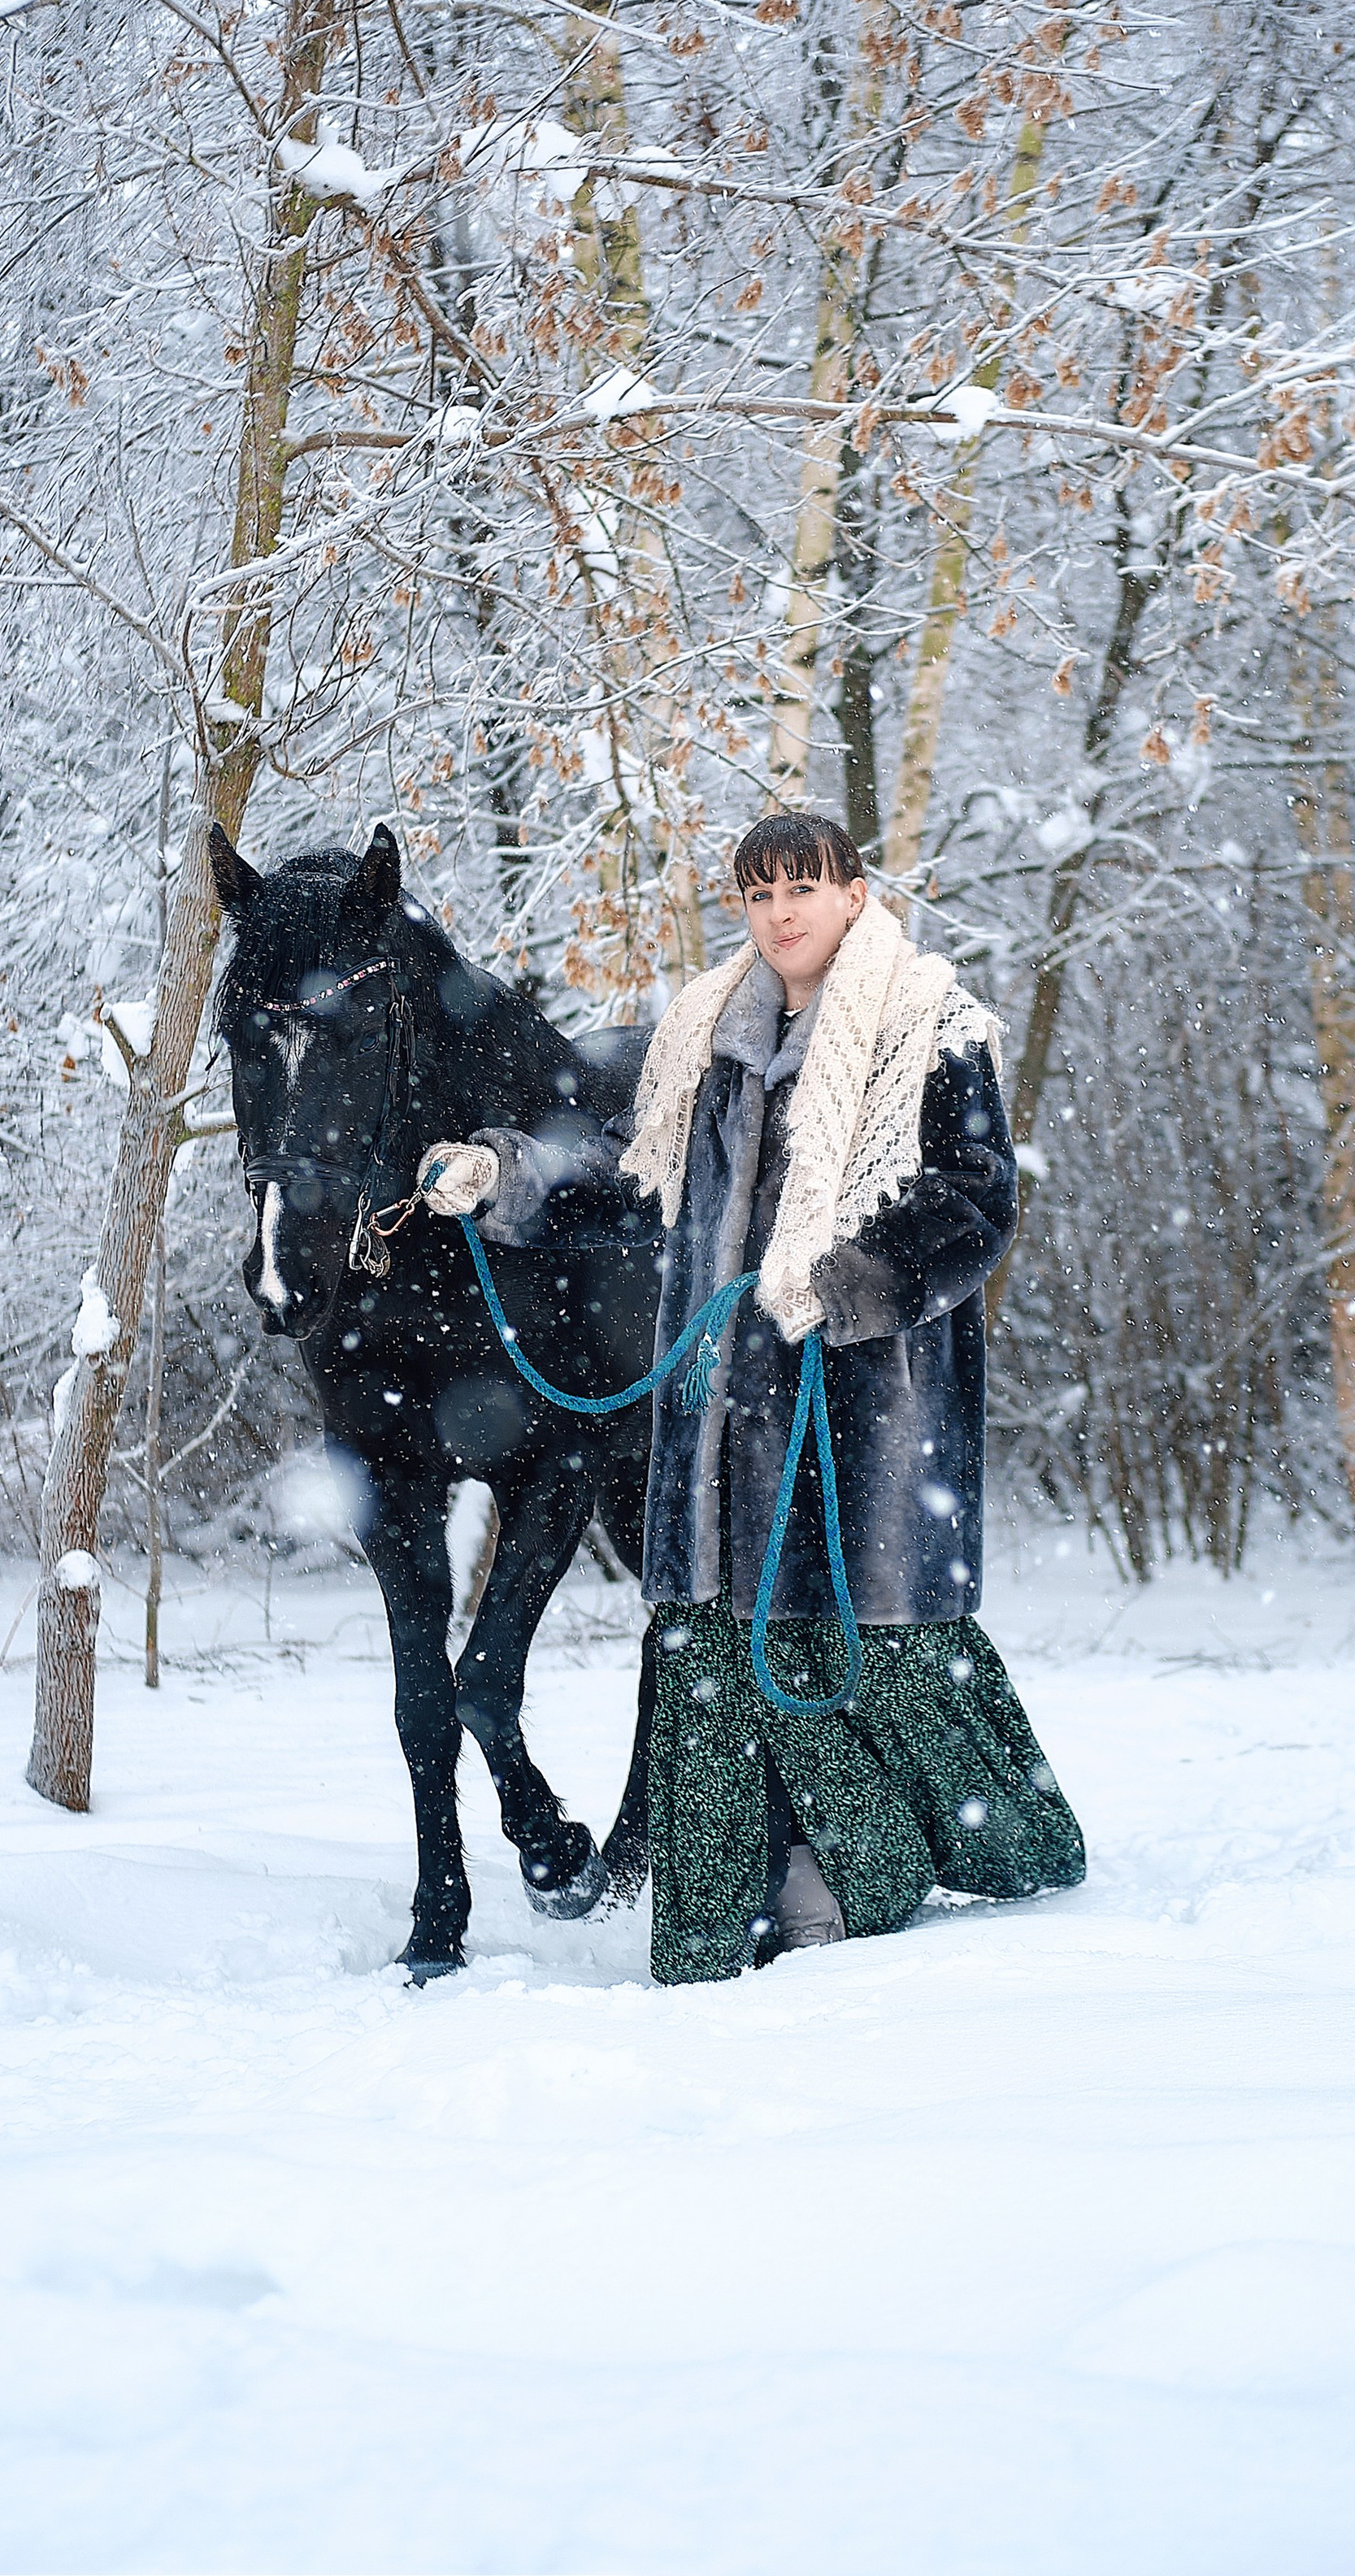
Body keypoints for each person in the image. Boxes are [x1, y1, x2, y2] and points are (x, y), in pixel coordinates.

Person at [419, 810, 1085, 1984]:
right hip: (723, 1415)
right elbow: (624, 1168)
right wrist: (506, 1171)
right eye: (760, 891)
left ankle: (859, 1867)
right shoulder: (706, 1031)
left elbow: (977, 1200)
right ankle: (723, 1894)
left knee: (852, 1654)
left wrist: (864, 1278)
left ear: (853, 891)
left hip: (864, 1404)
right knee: (720, 1654)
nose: (782, 913)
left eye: (804, 888)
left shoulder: (936, 1024)